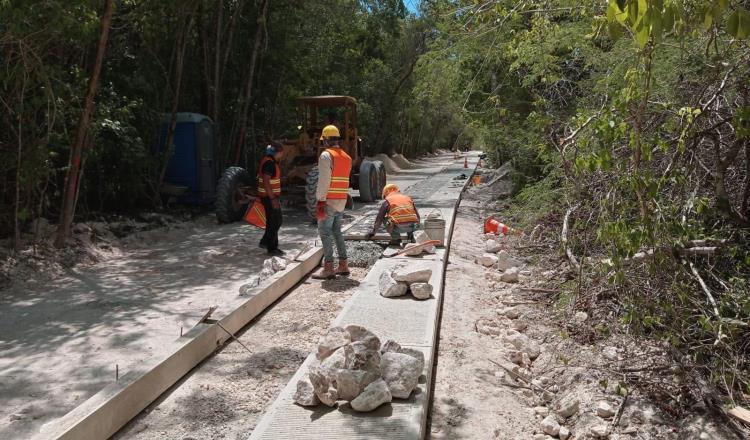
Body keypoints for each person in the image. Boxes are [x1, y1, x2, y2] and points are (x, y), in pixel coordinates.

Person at [312, 125, 352, 279]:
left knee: (325, 233)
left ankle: (328, 267)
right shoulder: (346, 157)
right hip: (341, 200)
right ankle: (343, 265)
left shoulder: (326, 156)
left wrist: (320, 200)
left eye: (323, 140)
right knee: (336, 232)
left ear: (326, 140)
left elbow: (324, 181)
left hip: (328, 199)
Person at [257, 144, 284, 255]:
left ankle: (272, 247)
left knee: (273, 221)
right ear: (277, 152)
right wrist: (273, 198)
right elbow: (266, 181)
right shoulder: (269, 163)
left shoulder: (268, 161)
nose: (282, 154)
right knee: (276, 220)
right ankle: (266, 242)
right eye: (281, 152)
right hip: (269, 197)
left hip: (268, 196)